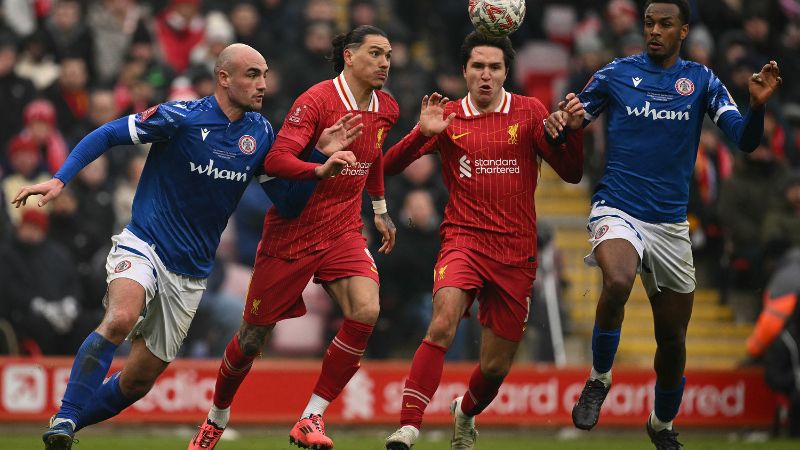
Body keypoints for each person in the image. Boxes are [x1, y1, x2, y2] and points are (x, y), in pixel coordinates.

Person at [14, 43, 355, 450]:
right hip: (145, 244)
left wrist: (319, 160)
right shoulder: (181, 117)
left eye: (264, 74)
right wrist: (60, 178)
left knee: (139, 380)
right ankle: (68, 415)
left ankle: (65, 424)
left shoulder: (261, 133)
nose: (263, 84)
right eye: (252, 74)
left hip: (190, 272)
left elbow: (288, 202)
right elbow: (107, 134)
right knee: (121, 318)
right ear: (224, 78)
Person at [565, 1, 782, 449]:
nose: (654, 31)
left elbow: (744, 140)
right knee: (618, 280)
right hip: (617, 207)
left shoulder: (702, 81)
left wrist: (757, 108)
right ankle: (599, 378)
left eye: (665, 24)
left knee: (673, 342)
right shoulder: (614, 74)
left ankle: (661, 424)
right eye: (649, 23)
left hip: (669, 224)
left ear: (684, 30)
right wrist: (560, 121)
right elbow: (571, 120)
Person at [189, 25, 399, 450]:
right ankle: (216, 418)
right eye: (375, 54)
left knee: (366, 308)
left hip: (342, 229)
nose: (384, 63)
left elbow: (374, 154)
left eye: (389, 55)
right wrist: (319, 163)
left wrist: (379, 209)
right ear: (350, 57)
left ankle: (311, 417)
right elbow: (277, 159)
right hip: (293, 232)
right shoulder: (316, 101)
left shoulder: (388, 108)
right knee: (251, 338)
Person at [383, 31, 585, 450]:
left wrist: (574, 133)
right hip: (464, 241)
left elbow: (572, 173)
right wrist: (421, 133)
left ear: (507, 72)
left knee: (494, 368)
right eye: (478, 66)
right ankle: (408, 426)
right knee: (442, 322)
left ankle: (465, 413)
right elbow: (388, 165)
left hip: (515, 253)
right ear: (465, 72)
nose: (486, 75)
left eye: (494, 67)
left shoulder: (530, 112)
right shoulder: (448, 116)